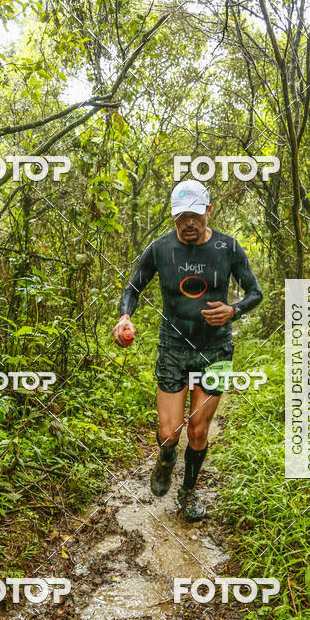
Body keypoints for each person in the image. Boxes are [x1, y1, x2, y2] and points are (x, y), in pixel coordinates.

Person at [112, 178, 263, 521]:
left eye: (195, 215)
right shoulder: (160, 249)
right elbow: (133, 287)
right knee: (170, 432)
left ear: (208, 211)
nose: (188, 224)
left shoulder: (229, 248)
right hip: (173, 346)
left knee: (198, 430)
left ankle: (189, 491)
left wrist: (234, 310)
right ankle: (166, 459)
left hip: (216, 349)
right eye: (181, 217)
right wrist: (125, 317)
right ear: (173, 216)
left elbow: (255, 292)